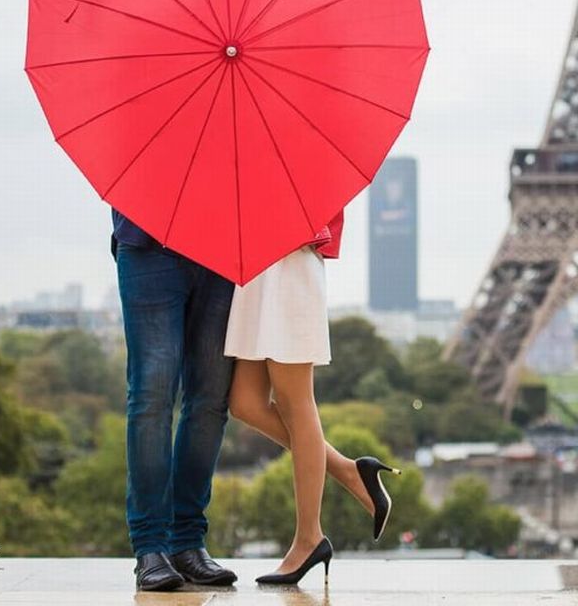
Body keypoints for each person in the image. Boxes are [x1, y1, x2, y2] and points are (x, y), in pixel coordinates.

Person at [224, 209, 402, 586]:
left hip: (289, 257)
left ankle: (309, 537)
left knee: (295, 401)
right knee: (245, 401)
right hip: (254, 263)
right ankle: (348, 470)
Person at [111, 208, 239, 592]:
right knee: (152, 393)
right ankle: (150, 547)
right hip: (148, 240)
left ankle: (187, 541)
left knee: (211, 399)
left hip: (221, 246)